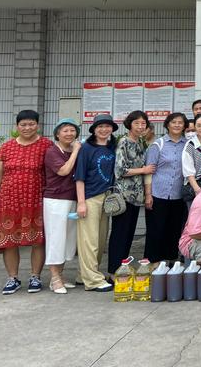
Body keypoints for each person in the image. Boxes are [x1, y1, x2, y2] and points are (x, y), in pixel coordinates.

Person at [0, 110, 52, 295]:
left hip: (36, 200)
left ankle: (35, 276)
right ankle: (12, 278)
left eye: (31, 124)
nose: (27, 128)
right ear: (17, 126)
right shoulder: (6, 147)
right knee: (9, 240)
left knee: (38, 239)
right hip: (8, 200)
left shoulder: (46, 145)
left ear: (37, 125)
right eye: (23, 124)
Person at [108, 111, 154, 278]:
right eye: (137, 123)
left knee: (128, 235)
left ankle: (123, 270)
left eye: (143, 124)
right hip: (124, 196)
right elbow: (120, 170)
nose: (140, 127)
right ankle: (113, 271)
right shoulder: (124, 142)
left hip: (136, 197)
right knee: (120, 235)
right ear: (129, 125)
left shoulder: (140, 142)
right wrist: (143, 170)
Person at [75, 114, 117, 292]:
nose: (104, 130)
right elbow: (79, 177)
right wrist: (81, 202)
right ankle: (92, 280)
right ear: (94, 130)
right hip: (90, 197)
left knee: (100, 240)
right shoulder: (86, 148)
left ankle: (84, 274)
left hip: (107, 198)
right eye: (100, 127)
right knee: (89, 240)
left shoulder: (112, 147)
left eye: (107, 126)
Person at [144, 112, 188, 265]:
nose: (177, 125)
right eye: (173, 122)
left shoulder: (188, 145)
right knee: (156, 230)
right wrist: (148, 194)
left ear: (184, 126)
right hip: (158, 194)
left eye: (180, 122)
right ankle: (153, 262)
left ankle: (170, 261)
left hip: (178, 195)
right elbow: (149, 171)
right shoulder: (158, 144)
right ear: (167, 124)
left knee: (174, 230)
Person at [43, 118, 81, 294]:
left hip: (72, 198)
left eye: (72, 130)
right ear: (57, 134)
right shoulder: (52, 152)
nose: (69, 134)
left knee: (67, 239)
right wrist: (76, 151)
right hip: (55, 200)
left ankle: (61, 275)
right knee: (56, 238)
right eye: (65, 130)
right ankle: (54, 278)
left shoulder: (73, 150)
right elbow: (64, 171)